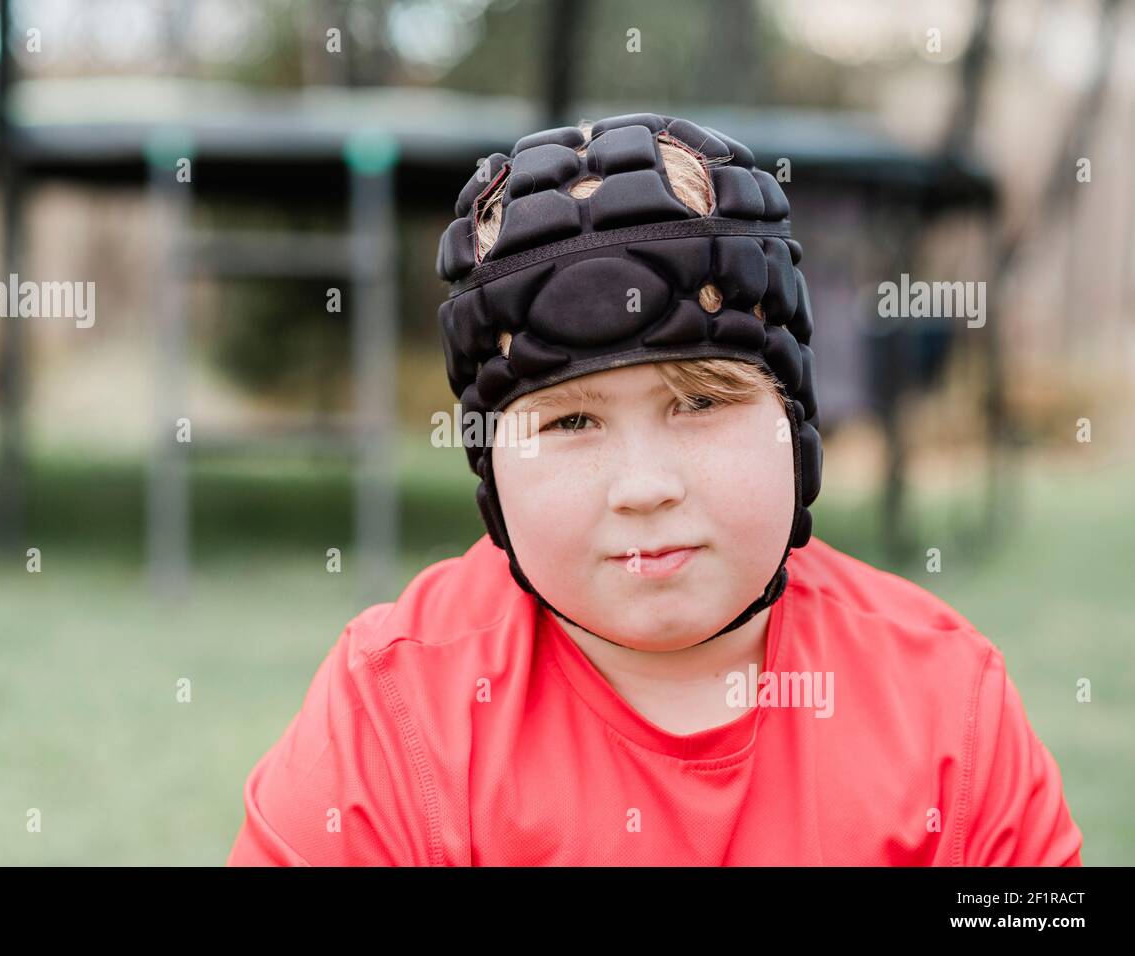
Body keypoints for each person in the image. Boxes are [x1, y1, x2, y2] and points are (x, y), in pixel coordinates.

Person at [227, 113, 1083, 866]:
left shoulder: (944, 708)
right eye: (570, 423)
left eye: (701, 403)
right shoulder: (393, 714)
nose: (643, 488)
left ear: (794, 423)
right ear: (489, 470)